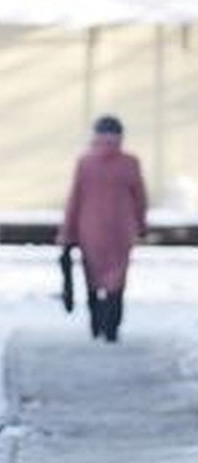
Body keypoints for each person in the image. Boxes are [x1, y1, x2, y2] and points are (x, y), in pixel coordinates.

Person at [58, 114, 148, 343]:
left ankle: (96, 322)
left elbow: (75, 198)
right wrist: (141, 225)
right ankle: (112, 327)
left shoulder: (85, 162)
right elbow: (139, 198)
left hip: (91, 229)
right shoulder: (130, 163)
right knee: (117, 280)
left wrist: (67, 231)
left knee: (92, 278)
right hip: (121, 230)